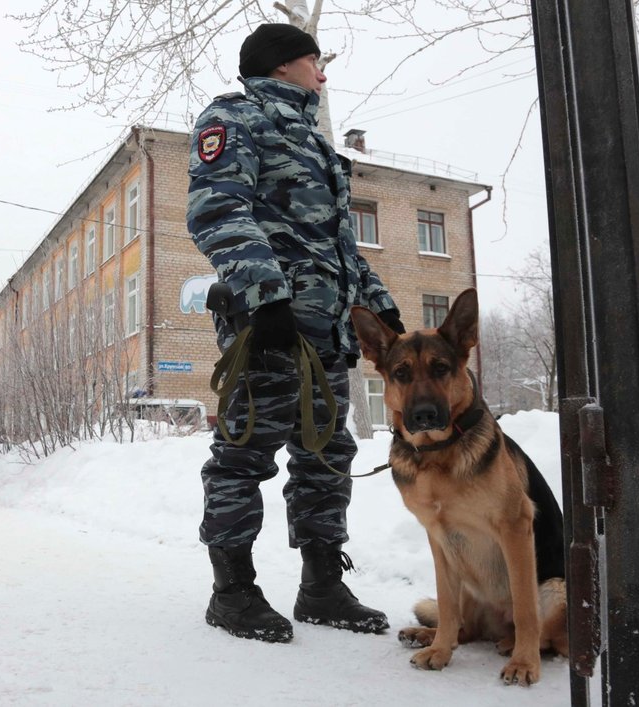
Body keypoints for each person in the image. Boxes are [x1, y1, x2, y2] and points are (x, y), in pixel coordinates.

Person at [186, 23, 406, 644]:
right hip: (269, 331)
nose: (323, 74)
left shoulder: (314, 143)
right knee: (244, 456)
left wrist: (381, 308)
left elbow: (337, 247)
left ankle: (321, 586)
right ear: (283, 65)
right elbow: (216, 211)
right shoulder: (236, 118)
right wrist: (266, 297)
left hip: (327, 336)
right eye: (316, 61)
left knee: (327, 458)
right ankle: (232, 592)